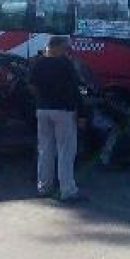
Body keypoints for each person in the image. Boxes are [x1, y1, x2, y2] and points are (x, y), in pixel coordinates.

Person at [28, 35, 87, 202]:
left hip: (42, 109)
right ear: (57, 46)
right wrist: (81, 113)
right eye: (65, 47)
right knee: (66, 151)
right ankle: (67, 190)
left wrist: (42, 98)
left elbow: (31, 87)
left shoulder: (37, 62)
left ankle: (44, 187)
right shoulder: (65, 63)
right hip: (63, 110)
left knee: (45, 149)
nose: (66, 50)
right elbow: (75, 90)